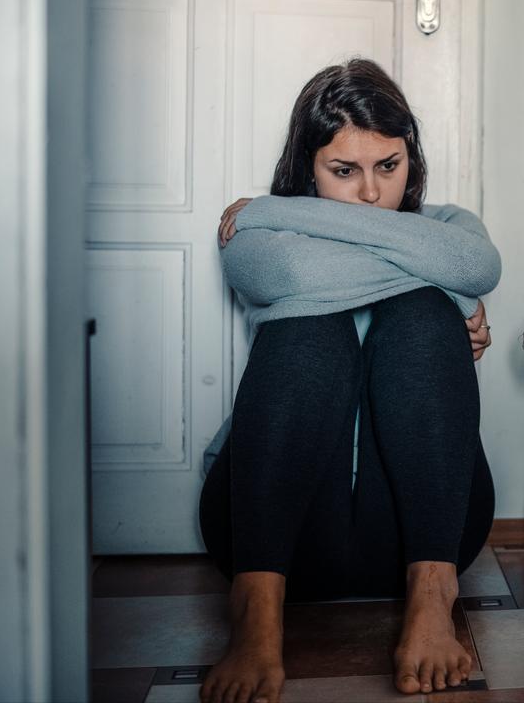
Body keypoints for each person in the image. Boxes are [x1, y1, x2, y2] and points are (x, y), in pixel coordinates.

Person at [196, 58, 500, 703]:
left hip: (424, 536)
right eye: (344, 171)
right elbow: (294, 282)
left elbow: (478, 263)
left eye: (388, 166)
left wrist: (281, 212)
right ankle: (254, 610)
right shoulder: (257, 235)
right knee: (314, 326)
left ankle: (432, 599)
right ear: (306, 165)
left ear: (409, 157)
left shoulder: (275, 218)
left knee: (419, 317)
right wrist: (451, 293)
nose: (370, 194)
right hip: (276, 533)